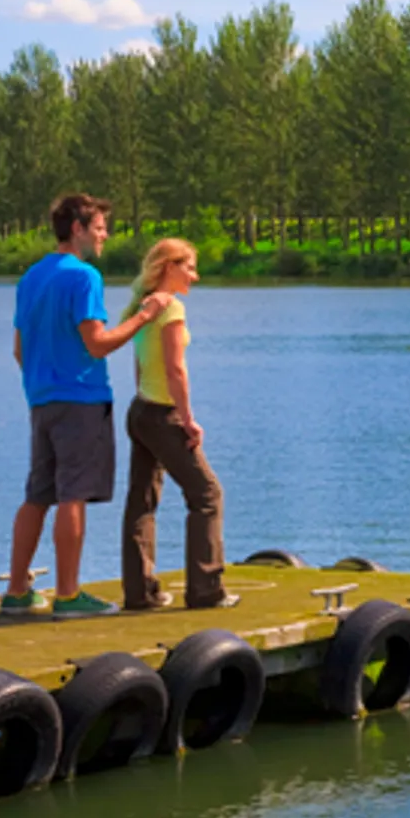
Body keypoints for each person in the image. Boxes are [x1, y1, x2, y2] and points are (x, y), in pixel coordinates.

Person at [5, 194, 169, 618]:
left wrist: (45, 380)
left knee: (37, 494)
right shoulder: (83, 277)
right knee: (71, 495)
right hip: (80, 400)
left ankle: (18, 590)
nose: (104, 235)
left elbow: (19, 349)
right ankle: (68, 595)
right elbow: (97, 344)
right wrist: (143, 317)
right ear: (76, 228)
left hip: (41, 400)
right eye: (98, 227)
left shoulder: (31, 277)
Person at [121, 238, 234, 610]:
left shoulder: (144, 305)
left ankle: (140, 593)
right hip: (163, 415)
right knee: (207, 495)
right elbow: (175, 370)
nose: (195, 276)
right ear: (169, 266)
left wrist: (145, 399)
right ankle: (206, 591)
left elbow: (139, 362)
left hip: (140, 410)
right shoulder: (170, 309)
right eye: (189, 267)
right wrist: (187, 420)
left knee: (142, 500)